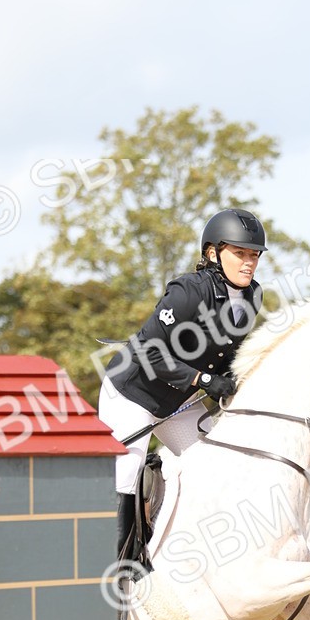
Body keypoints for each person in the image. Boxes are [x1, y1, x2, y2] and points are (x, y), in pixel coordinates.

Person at [97, 208, 266, 561]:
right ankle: (119, 567)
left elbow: (230, 354)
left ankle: (173, 546)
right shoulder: (188, 291)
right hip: (132, 392)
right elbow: (147, 351)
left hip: (178, 402)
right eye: (240, 253)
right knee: (127, 472)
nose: (249, 263)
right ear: (212, 253)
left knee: (210, 465)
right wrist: (205, 379)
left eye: (253, 255)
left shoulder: (253, 296)